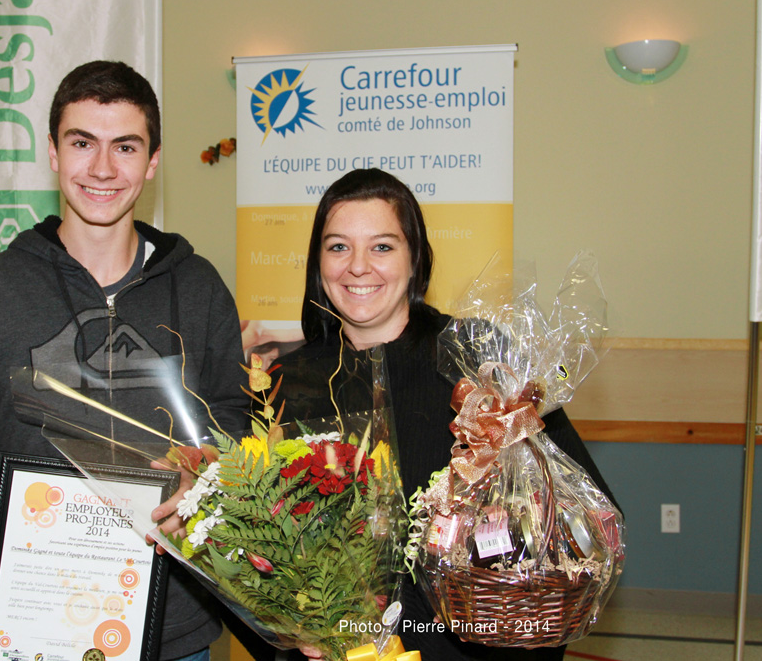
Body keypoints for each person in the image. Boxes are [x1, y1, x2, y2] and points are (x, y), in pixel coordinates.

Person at [0, 60, 248, 661]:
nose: (103, 168)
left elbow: (235, 428)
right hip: (30, 613)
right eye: (82, 143)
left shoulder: (199, 289)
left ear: (153, 161)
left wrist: (204, 480)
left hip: (174, 626)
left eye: (126, 147)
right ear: (53, 152)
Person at [243, 168, 617, 661]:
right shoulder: (285, 383)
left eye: (382, 246)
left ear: (415, 257)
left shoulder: (477, 359)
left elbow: (584, 512)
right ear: (318, 262)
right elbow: (253, 545)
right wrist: (292, 628)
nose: (358, 267)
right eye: (338, 247)